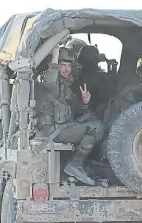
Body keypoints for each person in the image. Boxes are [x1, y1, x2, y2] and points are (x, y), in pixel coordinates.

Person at [34, 46, 104, 186]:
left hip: (62, 128)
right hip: (52, 131)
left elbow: (78, 110)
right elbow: (50, 78)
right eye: (62, 65)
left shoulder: (65, 88)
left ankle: (75, 167)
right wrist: (54, 55)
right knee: (96, 128)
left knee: (94, 119)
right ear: (56, 66)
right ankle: (75, 165)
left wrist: (85, 102)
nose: (66, 69)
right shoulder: (52, 84)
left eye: (69, 66)